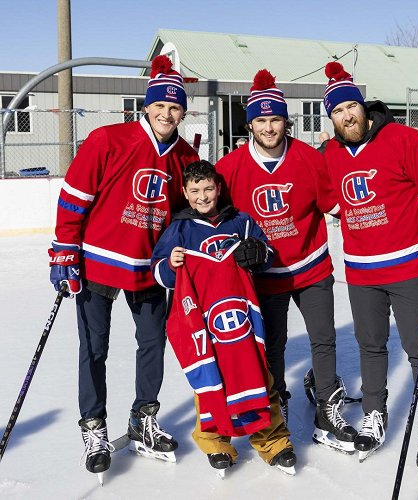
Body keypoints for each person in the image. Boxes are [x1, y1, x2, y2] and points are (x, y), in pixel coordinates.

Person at [48, 55, 199, 478]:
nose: (167, 114)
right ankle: (94, 426)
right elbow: (74, 199)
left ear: (183, 112)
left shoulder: (185, 157)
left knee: (152, 343)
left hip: (149, 269)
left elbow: (188, 216)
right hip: (97, 263)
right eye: (161, 105)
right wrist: (64, 253)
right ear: (146, 105)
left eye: (175, 108)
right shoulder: (107, 140)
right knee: (94, 348)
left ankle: (142, 418)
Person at [320, 62, 418, 473]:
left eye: (351, 106)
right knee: (370, 346)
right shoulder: (329, 153)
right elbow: (329, 201)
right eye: (337, 111)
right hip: (361, 271)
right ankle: (374, 413)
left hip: (409, 266)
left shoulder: (403, 139)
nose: (347, 116)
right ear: (330, 118)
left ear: (363, 107)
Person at [216, 69, 357, 454]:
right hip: (266, 276)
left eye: (275, 118)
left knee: (323, 339)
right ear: (250, 124)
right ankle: (277, 407)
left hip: (311, 267)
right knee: (272, 346)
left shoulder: (310, 159)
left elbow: (339, 206)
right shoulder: (229, 168)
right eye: (260, 119)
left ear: (285, 120)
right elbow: (214, 220)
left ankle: (328, 411)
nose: (268, 126)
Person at [151, 160, 297, 475]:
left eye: (207, 189)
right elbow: (159, 272)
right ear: (185, 194)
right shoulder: (179, 229)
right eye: (195, 191)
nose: (202, 196)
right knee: (210, 381)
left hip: (243, 317)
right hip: (204, 322)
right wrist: (170, 265)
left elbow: (266, 254)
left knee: (259, 375)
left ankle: (273, 441)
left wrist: (258, 253)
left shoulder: (241, 222)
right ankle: (215, 441)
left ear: (218, 188)